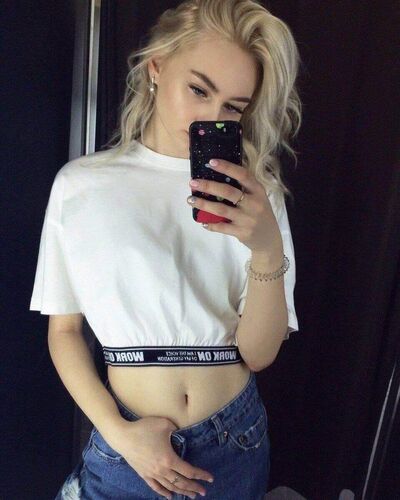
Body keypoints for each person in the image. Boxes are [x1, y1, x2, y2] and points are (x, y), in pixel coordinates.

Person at [29, 0, 302, 498]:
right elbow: (64, 332)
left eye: (233, 107)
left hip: (235, 441)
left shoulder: (257, 197)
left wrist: (267, 250)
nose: (210, 117)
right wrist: (119, 433)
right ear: (156, 68)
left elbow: (259, 354)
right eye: (199, 90)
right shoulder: (81, 186)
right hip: (128, 446)